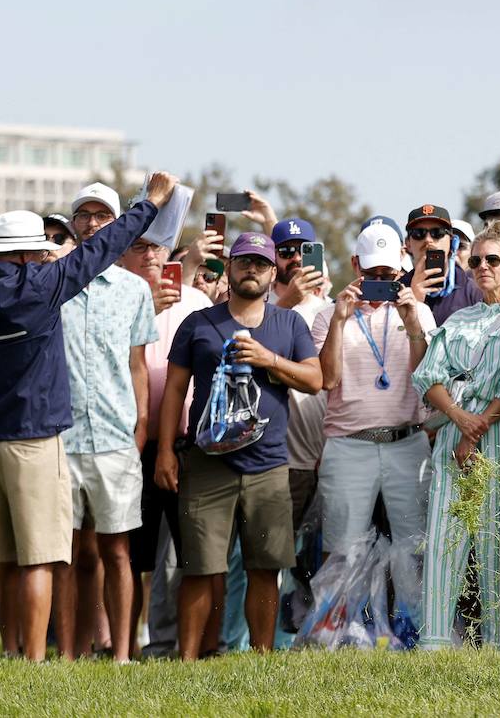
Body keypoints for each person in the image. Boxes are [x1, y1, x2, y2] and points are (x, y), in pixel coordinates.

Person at [0, 174, 177, 662]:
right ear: (29, 254)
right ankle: (32, 660)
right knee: (39, 560)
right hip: (33, 441)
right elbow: (107, 244)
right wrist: (150, 203)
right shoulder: (43, 286)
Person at [154, 231, 322, 660]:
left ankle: (261, 659)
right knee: (200, 569)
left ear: (273, 273)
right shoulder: (199, 323)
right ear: (228, 268)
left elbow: (315, 379)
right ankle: (189, 659)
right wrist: (165, 451)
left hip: (268, 466)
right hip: (207, 462)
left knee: (264, 569)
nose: (252, 269)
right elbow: (174, 390)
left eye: (261, 263)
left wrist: (270, 361)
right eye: (244, 261)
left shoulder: (289, 324)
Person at [56, 183, 159, 663]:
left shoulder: (136, 290)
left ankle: (121, 654)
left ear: (117, 224)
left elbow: (138, 364)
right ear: (73, 223)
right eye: (84, 215)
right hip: (63, 436)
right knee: (72, 555)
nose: (93, 223)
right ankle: (72, 654)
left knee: (119, 552)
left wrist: (142, 424)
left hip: (117, 436)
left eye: (102, 216)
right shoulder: (54, 283)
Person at [412, 221, 500, 650]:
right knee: (444, 540)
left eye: (492, 260)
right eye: (475, 260)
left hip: (499, 436)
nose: (483, 267)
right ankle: (435, 643)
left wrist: (475, 429)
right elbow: (427, 376)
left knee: (496, 543)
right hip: (451, 438)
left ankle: (499, 644)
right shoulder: (459, 317)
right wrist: (460, 419)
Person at [115, 228, 213, 658]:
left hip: (186, 447)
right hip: (127, 446)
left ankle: (193, 649)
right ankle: (125, 648)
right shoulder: (112, 298)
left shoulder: (196, 303)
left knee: (193, 556)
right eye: (139, 246)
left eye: (156, 246)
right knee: (130, 558)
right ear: (120, 257)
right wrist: (140, 316)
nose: (150, 254)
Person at [311, 222, 436, 558]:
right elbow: (328, 379)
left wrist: (411, 324)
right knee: (342, 552)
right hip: (349, 444)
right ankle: (342, 613)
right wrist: (339, 320)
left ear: (402, 264)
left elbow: (427, 380)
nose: (381, 283)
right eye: (372, 274)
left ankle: (413, 613)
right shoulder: (327, 317)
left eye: (389, 275)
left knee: (416, 550)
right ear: (355, 266)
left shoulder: (420, 313)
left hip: (406, 442)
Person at [268, 218, 330, 537]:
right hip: (279, 460)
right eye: (286, 251)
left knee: (318, 565)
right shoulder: (261, 306)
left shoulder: (330, 310)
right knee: (272, 559)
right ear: (272, 256)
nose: (294, 258)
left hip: (326, 455)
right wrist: (285, 303)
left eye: (303, 250)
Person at [401, 203, 482, 324]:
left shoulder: (474, 290)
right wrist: (415, 301)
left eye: (437, 232)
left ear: (451, 241)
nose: (428, 240)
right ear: (407, 244)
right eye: (418, 233)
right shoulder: (398, 290)